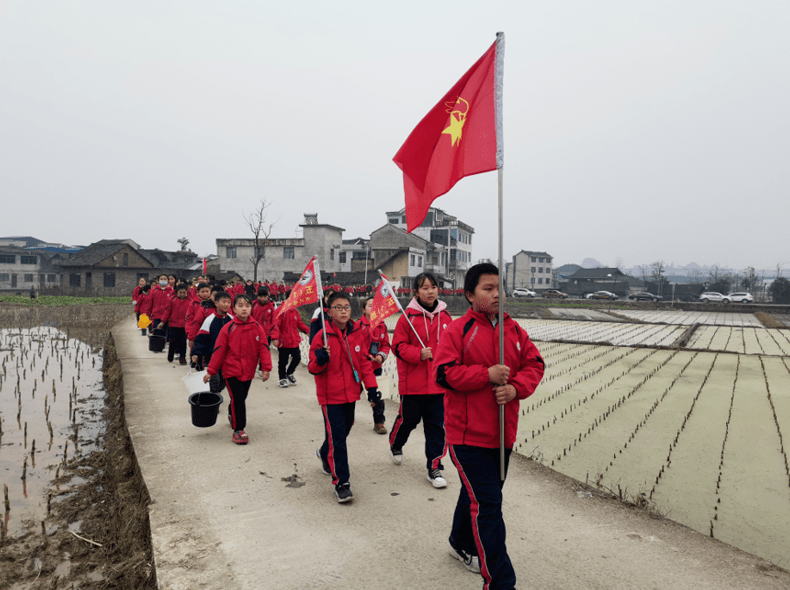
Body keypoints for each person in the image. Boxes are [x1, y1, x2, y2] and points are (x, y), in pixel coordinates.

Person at [434, 263, 544, 589]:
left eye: (500, 288)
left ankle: (458, 540)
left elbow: (535, 364)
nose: (497, 294)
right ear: (469, 295)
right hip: (467, 437)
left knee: (480, 497)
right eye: (488, 288)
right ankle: (500, 582)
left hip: (502, 434)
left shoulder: (513, 331)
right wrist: (486, 375)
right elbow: (443, 373)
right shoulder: (458, 331)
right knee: (489, 506)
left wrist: (515, 388)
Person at [308, 292, 379, 503]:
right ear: (328, 312)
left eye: (346, 307)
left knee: (344, 430)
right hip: (330, 397)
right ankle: (342, 483)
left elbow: (365, 364)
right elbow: (313, 367)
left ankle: (323, 452)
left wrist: (372, 388)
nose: (343, 310)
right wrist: (320, 360)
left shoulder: (357, 333)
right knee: (338, 439)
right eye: (337, 307)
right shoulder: (322, 337)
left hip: (351, 394)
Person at [389, 272, 453, 488]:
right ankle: (396, 443)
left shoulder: (446, 317)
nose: (430, 291)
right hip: (413, 384)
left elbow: (453, 346)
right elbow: (397, 346)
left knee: (436, 427)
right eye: (424, 288)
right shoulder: (407, 317)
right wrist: (418, 354)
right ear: (416, 292)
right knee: (409, 421)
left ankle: (434, 467)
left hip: (437, 384)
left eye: (433, 287)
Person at [203, 294, 272, 444]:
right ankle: (238, 430)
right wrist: (211, 371)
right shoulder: (228, 328)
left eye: (247, 306)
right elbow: (219, 350)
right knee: (239, 399)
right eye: (240, 306)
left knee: (240, 398)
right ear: (234, 309)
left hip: (248, 371)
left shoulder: (257, 328)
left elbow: (264, 349)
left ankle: (231, 413)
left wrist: (266, 368)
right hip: (231, 370)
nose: (244, 309)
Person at [358, 296, 391, 434]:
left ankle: (379, 423)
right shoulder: (357, 326)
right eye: (370, 306)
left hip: (376, 367)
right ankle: (343, 417)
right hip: (360, 368)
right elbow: (355, 345)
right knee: (352, 393)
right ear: (364, 309)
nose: (373, 309)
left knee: (378, 396)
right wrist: (367, 356)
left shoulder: (382, 325)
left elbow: (386, 345)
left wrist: (381, 356)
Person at [191, 291, 233, 381]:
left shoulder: (232, 320)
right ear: (216, 303)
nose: (227, 305)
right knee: (214, 384)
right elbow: (200, 340)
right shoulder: (209, 320)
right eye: (224, 302)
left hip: (228, 359)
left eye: (229, 302)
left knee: (224, 384)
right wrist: (196, 353)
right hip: (211, 358)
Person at [271, 304, 309, 387]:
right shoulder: (280, 311)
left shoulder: (295, 311)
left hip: (294, 340)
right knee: (283, 361)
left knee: (297, 358)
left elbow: (300, 323)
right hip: (283, 341)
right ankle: (282, 378)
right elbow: (275, 324)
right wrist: (275, 338)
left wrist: (307, 331)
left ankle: (289, 373)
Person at [162, 283, 191, 364]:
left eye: (184, 293)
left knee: (183, 342)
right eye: (180, 292)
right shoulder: (172, 299)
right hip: (173, 324)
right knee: (172, 341)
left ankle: (182, 357)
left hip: (184, 325)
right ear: (177, 292)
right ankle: (170, 355)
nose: (182, 294)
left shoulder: (190, 301)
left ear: (187, 292)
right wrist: (163, 321)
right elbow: (167, 311)